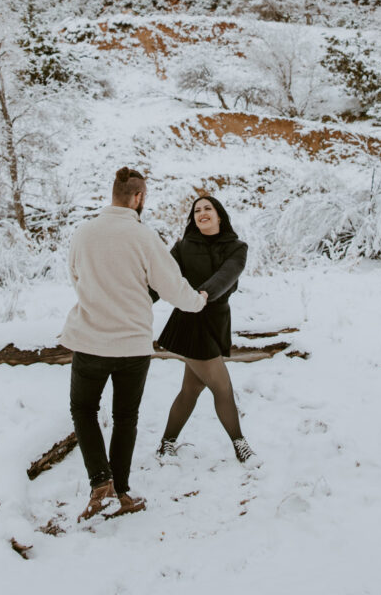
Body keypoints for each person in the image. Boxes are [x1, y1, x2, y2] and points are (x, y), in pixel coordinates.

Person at [60, 167, 207, 522]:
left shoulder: (83, 233)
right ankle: (121, 491)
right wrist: (199, 300)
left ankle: (101, 485)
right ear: (138, 198)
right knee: (126, 417)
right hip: (132, 346)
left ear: (113, 193)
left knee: (84, 411)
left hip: (90, 341)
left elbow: (75, 277)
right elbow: (172, 286)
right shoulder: (145, 238)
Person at [156, 194, 256, 464]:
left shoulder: (237, 248)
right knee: (222, 387)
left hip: (216, 319)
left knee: (191, 389)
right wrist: (137, 300)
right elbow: (161, 278)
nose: (202, 212)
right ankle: (240, 443)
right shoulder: (183, 247)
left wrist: (204, 294)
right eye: (197, 210)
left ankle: (166, 443)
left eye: (207, 208)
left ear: (219, 215)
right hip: (190, 321)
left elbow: (227, 275)